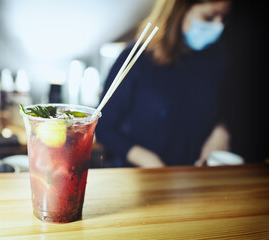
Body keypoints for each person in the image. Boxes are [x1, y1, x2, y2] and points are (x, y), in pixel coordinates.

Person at [95, 0, 232, 168]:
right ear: (179, 10)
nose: (219, 25)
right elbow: (103, 128)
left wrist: (220, 131)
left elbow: (218, 112)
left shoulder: (218, 58)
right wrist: (151, 162)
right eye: (209, 16)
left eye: (223, 17)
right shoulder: (135, 59)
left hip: (195, 179)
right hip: (139, 179)